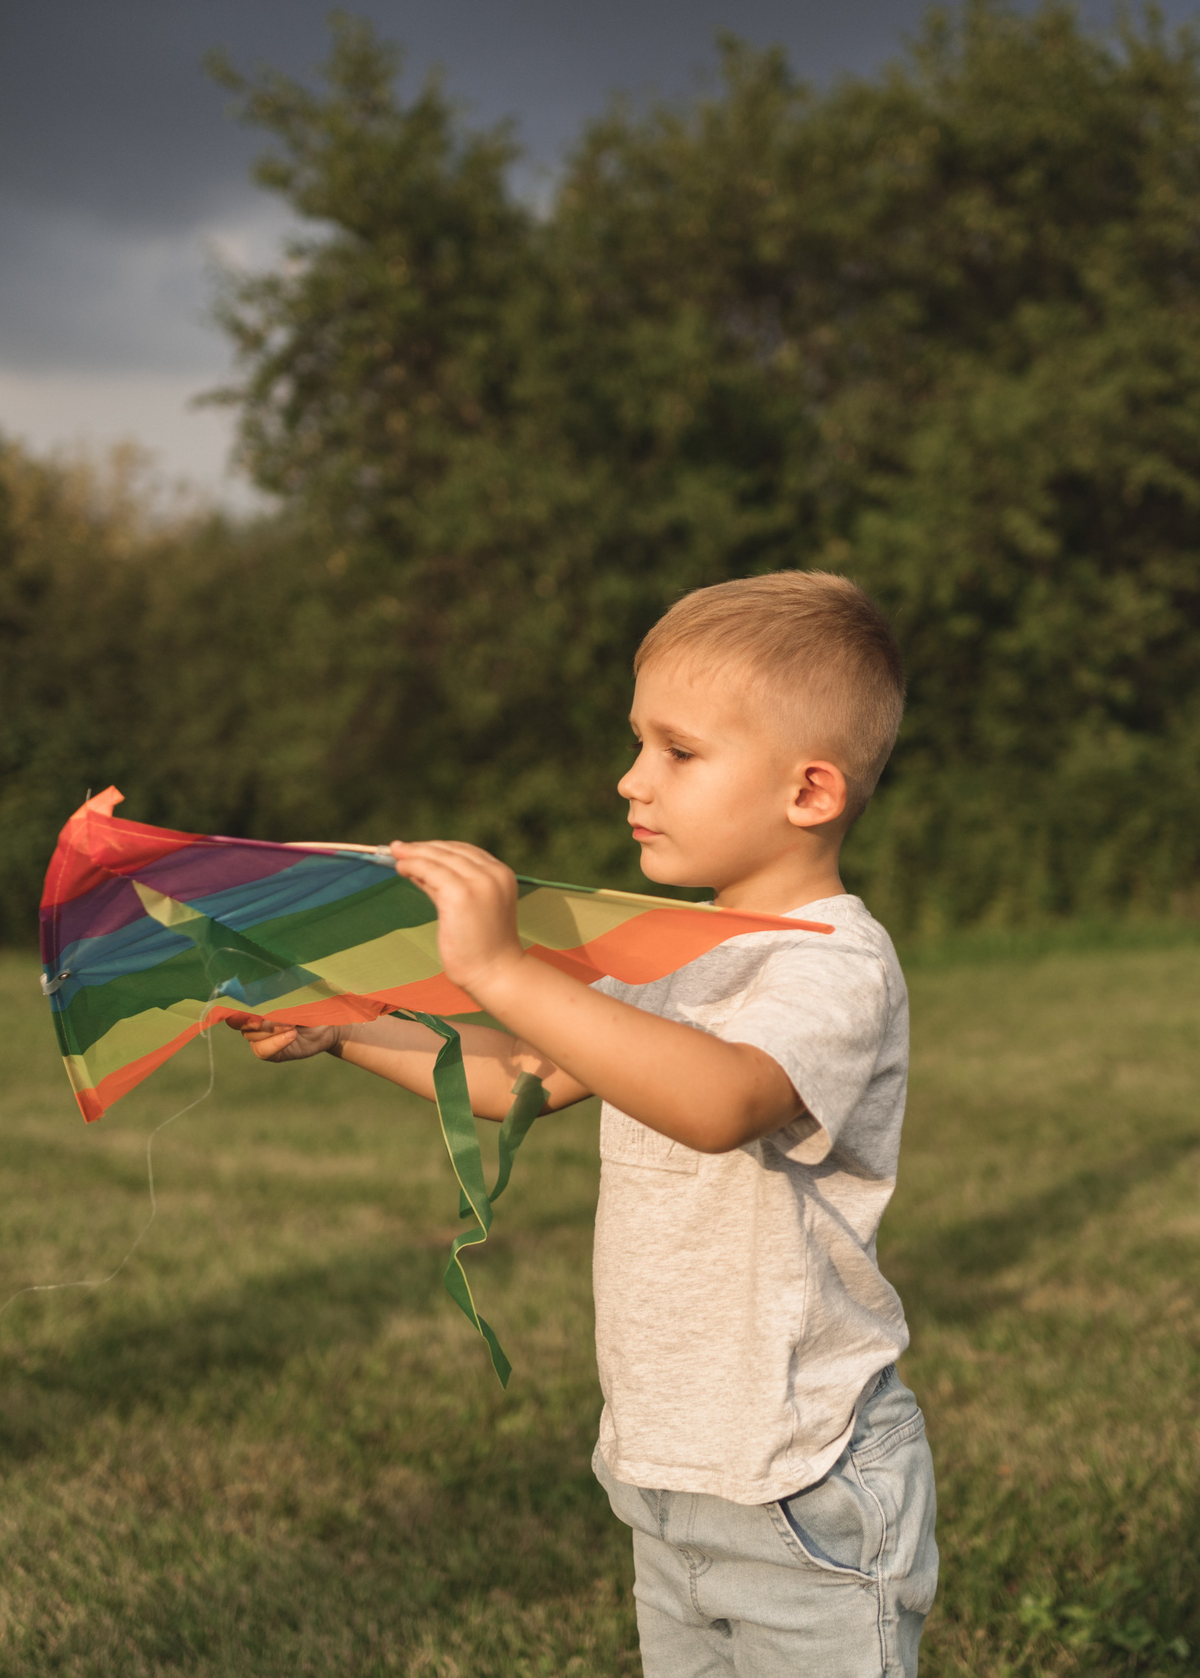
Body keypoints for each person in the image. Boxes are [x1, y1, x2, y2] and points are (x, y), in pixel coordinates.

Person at [229, 569, 934, 1676]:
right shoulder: (672, 951)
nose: (629, 781)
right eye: (636, 745)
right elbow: (525, 1078)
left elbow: (719, 1101)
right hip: (669, 1473)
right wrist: (348, 1030)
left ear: (809, 793)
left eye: (677, 752)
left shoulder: (834, 967)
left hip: (803, 1486)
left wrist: (504, 967)